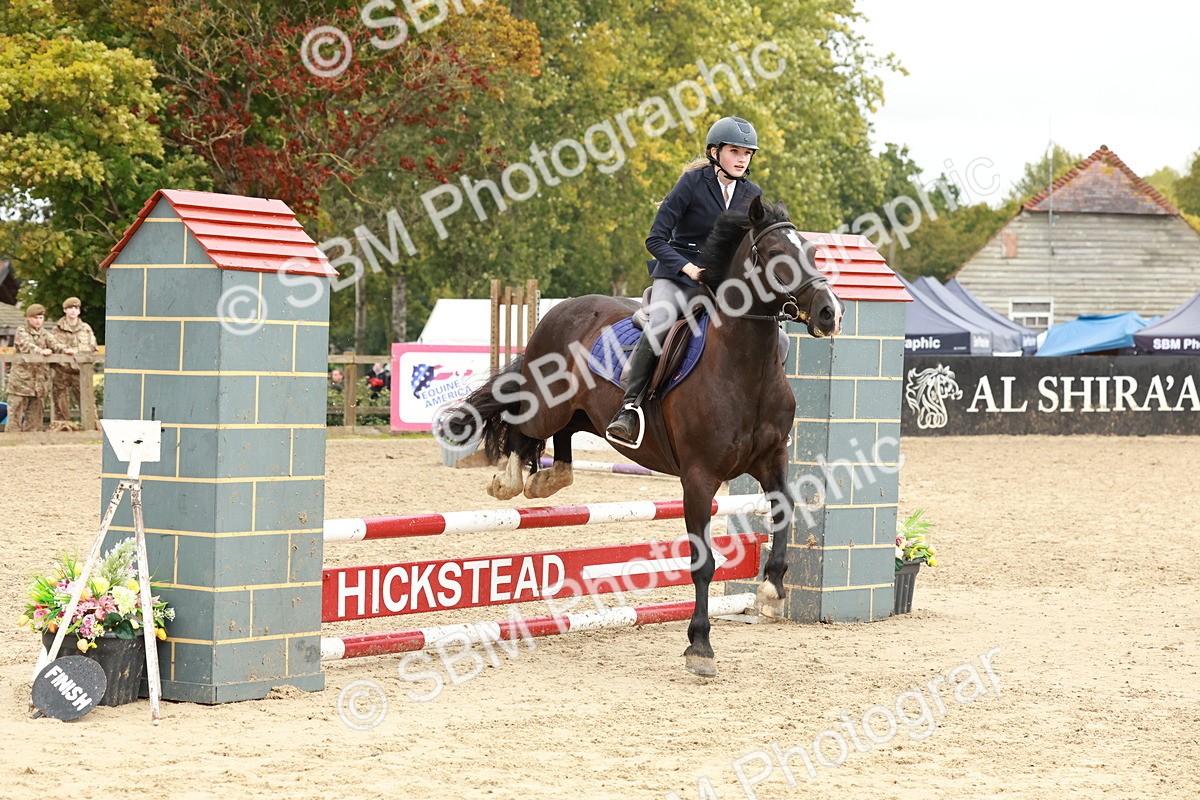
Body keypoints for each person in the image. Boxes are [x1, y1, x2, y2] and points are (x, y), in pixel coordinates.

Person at [606, 116, 763, 445]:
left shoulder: (752, 193)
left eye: (747, 153)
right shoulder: (691, 184)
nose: (741, 159)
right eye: (735, 151)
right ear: (714, 152)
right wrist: (689, 269)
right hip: (678, 276)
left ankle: (758, 411)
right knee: (662, 321)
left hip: (719, 284)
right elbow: (655, 240)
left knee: (773, 335)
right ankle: (629, 408)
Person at [5, 304, 72, 432]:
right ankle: (11, 443)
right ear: (28, 318)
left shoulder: (44, 333)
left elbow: (55, 343)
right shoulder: (21, 331)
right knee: (15, 416)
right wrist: (40, 351)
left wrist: (65, 350)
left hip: (39, 384)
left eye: (41, 318)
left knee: (35, 417)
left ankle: (31, 445)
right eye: (35, 318)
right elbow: (26, 345)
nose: (38, 321)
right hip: (21, 383)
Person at [49, 296, 98, 430]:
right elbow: (52, 345)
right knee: (60, 403)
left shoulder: (86, 328)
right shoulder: (56, 329)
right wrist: (65, 351)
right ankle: (63, 430)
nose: (73, 311)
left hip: (80, 371)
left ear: (79, 311)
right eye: (70, 308)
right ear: (65, 310)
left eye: (75, 308)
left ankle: (92, 429)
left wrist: (75, 351)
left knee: (87, 401)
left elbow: (92, 346)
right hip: (62, 370)